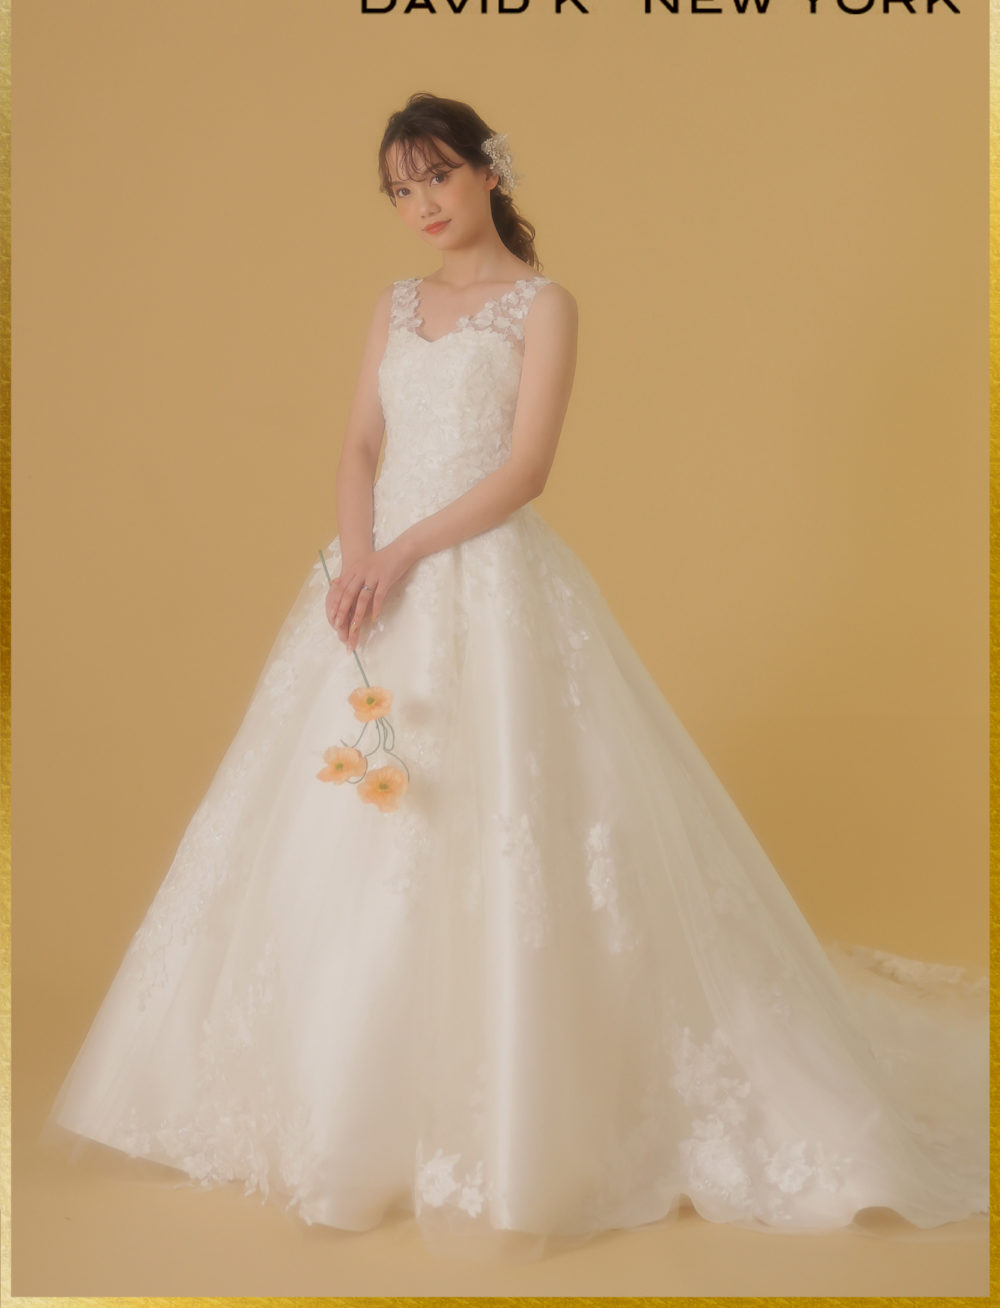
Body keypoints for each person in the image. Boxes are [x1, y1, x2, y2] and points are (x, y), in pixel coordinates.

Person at [43, 91, 988, 1263]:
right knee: (343, 824)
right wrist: (356, 558)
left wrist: (399, 554)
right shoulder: (393, 307)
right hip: (369, 581)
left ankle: (523, 1111)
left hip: (480, 578)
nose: (420, 204)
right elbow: (358, 443)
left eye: (436, 176)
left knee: (499, 823)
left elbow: (527, 469)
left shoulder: (544, 306)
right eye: (399, 189)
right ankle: (336, 1111)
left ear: (489, 171)